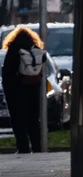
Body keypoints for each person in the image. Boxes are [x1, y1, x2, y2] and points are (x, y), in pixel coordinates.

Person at [2, 26, 47, 154]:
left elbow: (7, 73)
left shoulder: (14, 50)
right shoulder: (36, 50)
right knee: (33, 120)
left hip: (16, 91)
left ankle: (23, 147)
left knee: (18, 120)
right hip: (33, 90)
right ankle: (37, 147)